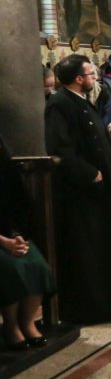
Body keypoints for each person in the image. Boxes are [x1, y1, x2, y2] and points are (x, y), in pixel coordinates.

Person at [44, 54, 111, 325]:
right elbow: (60, 148)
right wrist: (92, 173)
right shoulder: (60, 104)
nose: (95, 78)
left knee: (103, 250)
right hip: (81, 194)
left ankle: (109, 304)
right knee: (87, 254)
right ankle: (90, 308)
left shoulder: (81, 103)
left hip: (99, 192)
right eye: (91, 74)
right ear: (78, 79)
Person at [0, 133, 55, 350]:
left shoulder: (4, 163)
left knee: (35, 263)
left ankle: (27, 321)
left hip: (10, 235)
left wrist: (17, 235)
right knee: (11, 268)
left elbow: (17, 202)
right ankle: (11, 326)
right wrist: (3, 242)